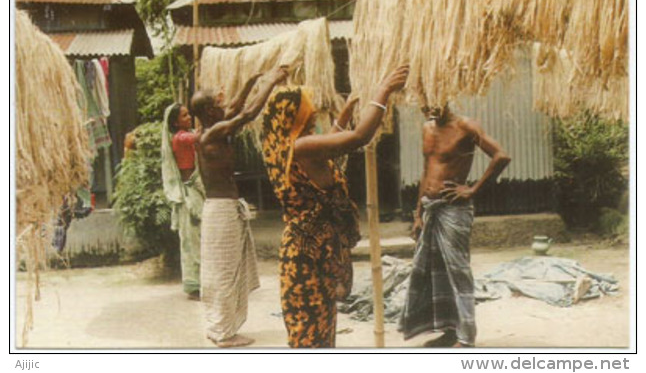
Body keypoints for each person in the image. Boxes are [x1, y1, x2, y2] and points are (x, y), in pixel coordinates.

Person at [261, 65, 409, 348]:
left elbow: (328, 147)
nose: (314, 109)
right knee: (312, 334)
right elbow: (357, 139)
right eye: (308, 107)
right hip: (308, 257)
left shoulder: (290, 147)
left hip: (311, 252)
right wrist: (383, 91)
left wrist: (346, 112)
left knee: (320, 328)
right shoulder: (302, 147)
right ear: (296, 114)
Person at [398, 103, 511, 348]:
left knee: (457, 271)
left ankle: (466, 337)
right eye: (425, 102)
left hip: (454, 210)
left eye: (436, 101)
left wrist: (472, 190)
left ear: (446, 97)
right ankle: (450, 331)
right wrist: (417, 214)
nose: (430, 107)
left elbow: (501, 156)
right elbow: (426, 171)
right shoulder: (427, 128)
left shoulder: (465, 126)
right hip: (430, 208)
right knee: (435, 272)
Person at [191, 68, 287, 348]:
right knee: (223, 272)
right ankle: (223, 333)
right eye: (218, 104)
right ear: (210, 112)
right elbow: (245, 115)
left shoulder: (210, 129)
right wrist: (268, 84)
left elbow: (234, 108)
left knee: (226, 270)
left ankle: (221, 327)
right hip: (221, 211)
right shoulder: (212, 134)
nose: (225, 106)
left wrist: (249, 80)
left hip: (222, 209)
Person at [161, 103, 205, 300]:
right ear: (176, 121)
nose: (189, 117)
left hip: (195, 189)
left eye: (189, 114)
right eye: (185, 115)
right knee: (192, 239)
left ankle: (202, 281)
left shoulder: (187, 135)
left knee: (198, 237)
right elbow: (201, 137)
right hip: (189, 192)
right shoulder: (181, 138)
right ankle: (194, 285)